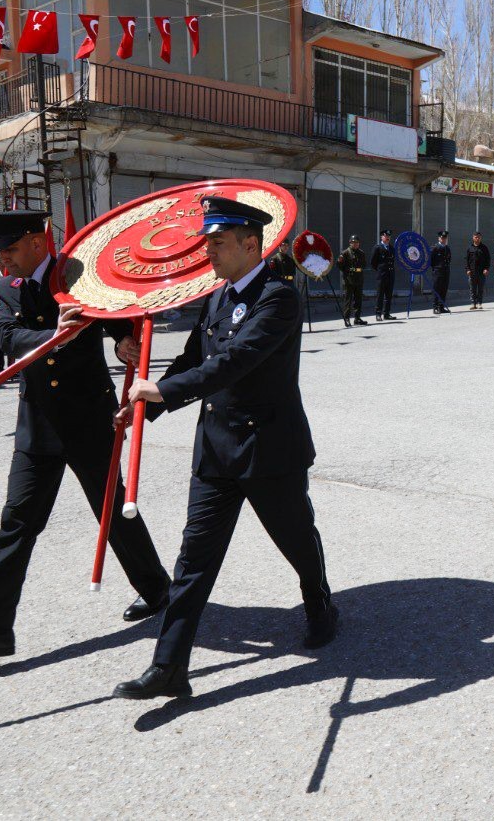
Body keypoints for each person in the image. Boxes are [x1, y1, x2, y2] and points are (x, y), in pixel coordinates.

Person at [113, 195, 334, 699]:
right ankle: (169, 667)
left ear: (250, 243)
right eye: (207, 241)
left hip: (267, 448)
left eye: (217, 242)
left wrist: (164, 392)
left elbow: (235, 361)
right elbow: (194, 357)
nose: (206, 251)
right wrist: (147, 404)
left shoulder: (278, 298)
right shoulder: (217, 297)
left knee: (296, 539)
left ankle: (319, 602)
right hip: (216, 452)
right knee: (193, 560)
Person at [0, 211, 170, 661]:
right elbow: (7, 337)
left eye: (12, 250)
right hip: (38, 426)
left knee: (112, 510)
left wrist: (122, 342)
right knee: (17, 521)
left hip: (89, 420)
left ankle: (157, 590)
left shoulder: (80, 277)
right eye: (0, 252)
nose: (5, 260)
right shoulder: (3, 288)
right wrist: (52, 337)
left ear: (38, 242)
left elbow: (115, 317)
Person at [336, 235, 369, 327]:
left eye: (357, 243)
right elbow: (339, 265)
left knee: (358, 299)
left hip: (359, 279)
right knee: (348, 300)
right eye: (354, 242)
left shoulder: (361, 253)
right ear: (350, 243)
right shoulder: (345, 253)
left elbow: (364, 265)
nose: (356, 244)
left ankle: (357, 318)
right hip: (349, 280)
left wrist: (358, 269)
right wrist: (347, 270)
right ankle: (347, 318)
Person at [370, 230, 397, 321]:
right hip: (381, 275)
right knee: (380, 295)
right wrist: (379, 271)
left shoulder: (392, 248)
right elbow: (373, 263)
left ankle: (387, 313)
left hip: (390, 274)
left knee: (389, 295)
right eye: (386, 236)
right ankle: (378, 314)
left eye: (389, 236)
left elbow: (392, 262)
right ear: (382, 237)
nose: (388, 238)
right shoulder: (377, 248)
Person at [466, 230, 491, 311]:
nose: (477, 239)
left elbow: (488, 259)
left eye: (479, 237)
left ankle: (479, 303)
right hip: (472, 272)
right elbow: (466, 260)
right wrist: (467, 269)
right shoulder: (469, 248)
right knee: (472, 289)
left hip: (481, 272)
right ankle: (473, 303)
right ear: (473, 238)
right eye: (476, 237)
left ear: (481, 238)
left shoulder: (484, 248)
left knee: (480, 288)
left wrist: (486, 269)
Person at [430, 230, 452, 314]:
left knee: (444, 289)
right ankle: (435, 307)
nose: (444, 239)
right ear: (439, 238)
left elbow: (449, 260)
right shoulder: (435, 248)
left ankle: (441, 307)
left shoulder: (447, 248)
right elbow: (431, 261)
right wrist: (436, 268)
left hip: (446, 271)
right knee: (437, 289)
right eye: (442, 238)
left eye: (445, 238)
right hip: (437, 271)